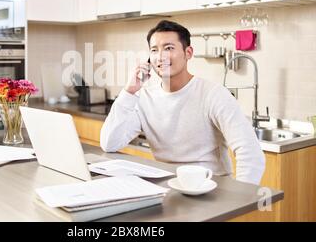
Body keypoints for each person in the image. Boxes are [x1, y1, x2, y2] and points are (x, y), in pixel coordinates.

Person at [100, 20, 265, 185]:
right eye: (154, 50)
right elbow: (109, 143)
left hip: (211, 190)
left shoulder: (214, 95)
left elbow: (250, 153)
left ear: (188, 53)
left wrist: (241, 198)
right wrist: (129, 91)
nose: (161, 56)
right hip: (166, 187)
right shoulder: (144, 98)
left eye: (169, 48)